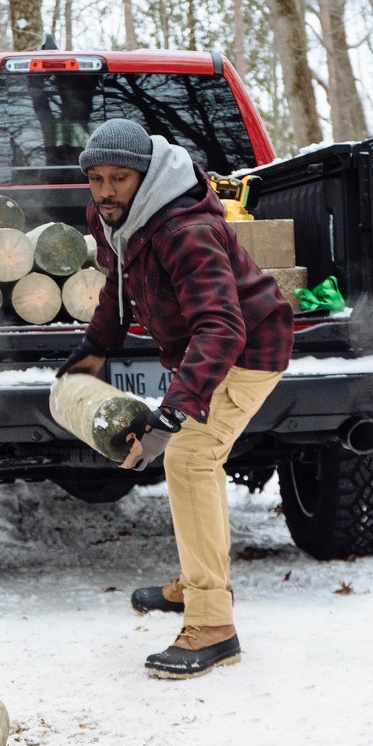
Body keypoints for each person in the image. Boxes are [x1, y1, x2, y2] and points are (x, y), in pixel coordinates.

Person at [56, 118, 294, 678]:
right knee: (191, 459)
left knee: (189, 457)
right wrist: (95, 349)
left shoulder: (185, 230)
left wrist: (177, 408)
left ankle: (213, 625)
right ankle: (194, 581)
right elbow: (119, 287)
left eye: (120, 178)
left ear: (146, 176)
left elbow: (222, 325)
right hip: (207, 350)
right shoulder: (114, 218)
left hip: (250, 350)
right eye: (97, 178)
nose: (107, 190)